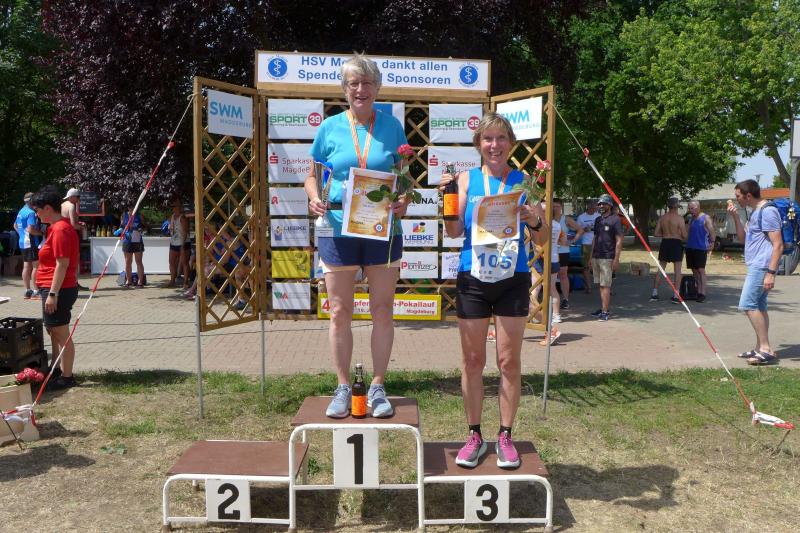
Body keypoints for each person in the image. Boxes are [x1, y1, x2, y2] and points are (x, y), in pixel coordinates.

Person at [440, 112, 549, 469]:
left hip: (512, 278)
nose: (494, 145)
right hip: (473, 277)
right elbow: (453, 232)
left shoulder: (524, 181)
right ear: (479, 144)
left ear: (510, 143)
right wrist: (447, 201)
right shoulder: (465, 179)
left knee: (508, 361)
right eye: (488, 138)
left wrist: (533, 219)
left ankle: (505, 435)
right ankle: (474, 435)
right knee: (473, 361)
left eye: (501, 138)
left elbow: (542, 238)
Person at [305, 53, 410, 418]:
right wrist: (314, 196)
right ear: (344, 89)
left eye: (367, 83)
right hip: (337, 227)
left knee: (382, 310)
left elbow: (404, 177)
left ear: (377, 88)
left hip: (382, 227)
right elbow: (311, 175)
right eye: (353, 83)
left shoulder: (392, 127)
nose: (360, 89)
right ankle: (343, 386)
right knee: (339, 311)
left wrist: (404, 199)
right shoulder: (329, 127)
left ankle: (378, 386)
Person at [728, 180, 783, 365]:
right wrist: (736, 217)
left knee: (748, 304)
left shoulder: (768, 211)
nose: (737, 200)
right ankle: (760, 347)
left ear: (748, 195)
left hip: (762, 266)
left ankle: (766, 349)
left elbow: (778, 245)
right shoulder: (754, 212)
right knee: (759, 305)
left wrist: (771, 273)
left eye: (738, 196)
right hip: (756, 265)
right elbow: (743, 239)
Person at [31, 187, 80, 390]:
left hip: (59, 289)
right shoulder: (54, 228)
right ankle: (56, 369)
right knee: (53, 330)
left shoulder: (60, 229)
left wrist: (53, 293)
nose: (36, 214)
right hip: (52, 287)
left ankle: (67, 377)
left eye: (37, 210)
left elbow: (62, 264)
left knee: (61, 333)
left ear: (48, 208)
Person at [589, 194, 623, 321]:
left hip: (608, 257)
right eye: (600, 204)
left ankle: (605, 312)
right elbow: (595, 238)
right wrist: (590, 257)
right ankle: (604, 308)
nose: (601, 206)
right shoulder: (598, 220)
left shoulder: (615, 219)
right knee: (601, 285)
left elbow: (619, 240)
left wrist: (616, 259)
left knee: (606, 285)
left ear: (610, 205)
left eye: (604, 203)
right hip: (596, 256)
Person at [650, 197, 687, 302]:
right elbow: (684, 235)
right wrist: (680, 234)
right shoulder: (679, 218)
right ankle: (676, 295)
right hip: (676, 243)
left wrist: (666, 234)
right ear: (676, 206)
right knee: (677, 271)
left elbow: (656, 233)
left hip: (665, 242)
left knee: (661, 269)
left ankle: (654, 293)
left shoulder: (662, 218)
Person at [14, 192, 43, 299]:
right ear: (31, 201)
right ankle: (36, 291)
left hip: (22, 241)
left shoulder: (21, 211)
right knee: (36, 266)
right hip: (31, 242)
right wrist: (42, 233)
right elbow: (31, 230)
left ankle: (27, 291)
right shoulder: (31, 213)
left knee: (26, 266)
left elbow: (15, 225)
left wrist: (21, 234)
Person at [685, 200, 714, 302]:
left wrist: (712, 243)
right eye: (689, 208)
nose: (690, 210)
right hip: (690, 247)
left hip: (701, 248)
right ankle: (697, 290)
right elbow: (687, 232)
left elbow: (712, 232)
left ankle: (702, 292)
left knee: (701, 270)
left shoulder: (706, 218)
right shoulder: (691, 219)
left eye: (692, 208)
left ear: (697, 207)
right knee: (694, 270)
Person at [553, 198, 579, 309]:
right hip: (550, 251)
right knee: (550, 275)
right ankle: (551, 299)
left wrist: (572, 241)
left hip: (563, 251)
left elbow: (580, 229)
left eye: (557, 206)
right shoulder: (546, 217)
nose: (555, 208)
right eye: (553, 206)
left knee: (563, 274)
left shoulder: (566, 219)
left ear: (562, 207)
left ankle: (565, 299)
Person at [61, 188, 88, 290]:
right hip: (71, 235)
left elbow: (65, 220)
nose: (78, 199)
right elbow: (73, 224)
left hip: (63, 234)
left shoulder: (62, 205)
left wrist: (78, 223)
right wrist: (82, 227)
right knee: (74, 260)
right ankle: (74, 283)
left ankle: (66, 282)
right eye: (78, 197)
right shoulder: (71, 206)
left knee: (64, 260)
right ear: (72, 197)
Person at [573, 199, 600, 293]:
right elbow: (577, 230)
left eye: (595, 206)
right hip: (586, 244)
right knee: (586, 266)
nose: (593, 208)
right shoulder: (581, 217)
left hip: (598, 243)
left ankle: (604, 287)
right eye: (591, 206)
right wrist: (584, 229)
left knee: (600, 265)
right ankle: (589, 287)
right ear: (587, 206)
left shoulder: (599, 216)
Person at [118, 205, 147, 288]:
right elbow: (121, 227)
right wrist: (121, 231)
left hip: (137, 241)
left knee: (139, 261)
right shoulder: (124, 216)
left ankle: (140, 281)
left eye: (134, 207)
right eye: (131, 207)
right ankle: (128, 281)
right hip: (127, 241)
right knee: (128, 262)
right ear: (128, 208)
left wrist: (141, 229)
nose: (132, 209)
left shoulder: (139, 216)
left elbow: (145, 228)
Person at [167, 199, 190, 288]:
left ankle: (186, 282)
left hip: (183, 242)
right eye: (172, 207)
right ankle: (172, 280)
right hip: (173, 242)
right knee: (171, 262)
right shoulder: (172, 216)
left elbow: (185, 232)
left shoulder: (183, 218)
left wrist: (183, 245)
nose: (172, 208)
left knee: (184, 263)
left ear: (178, 207)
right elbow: (170, 228)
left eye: (174, 206)